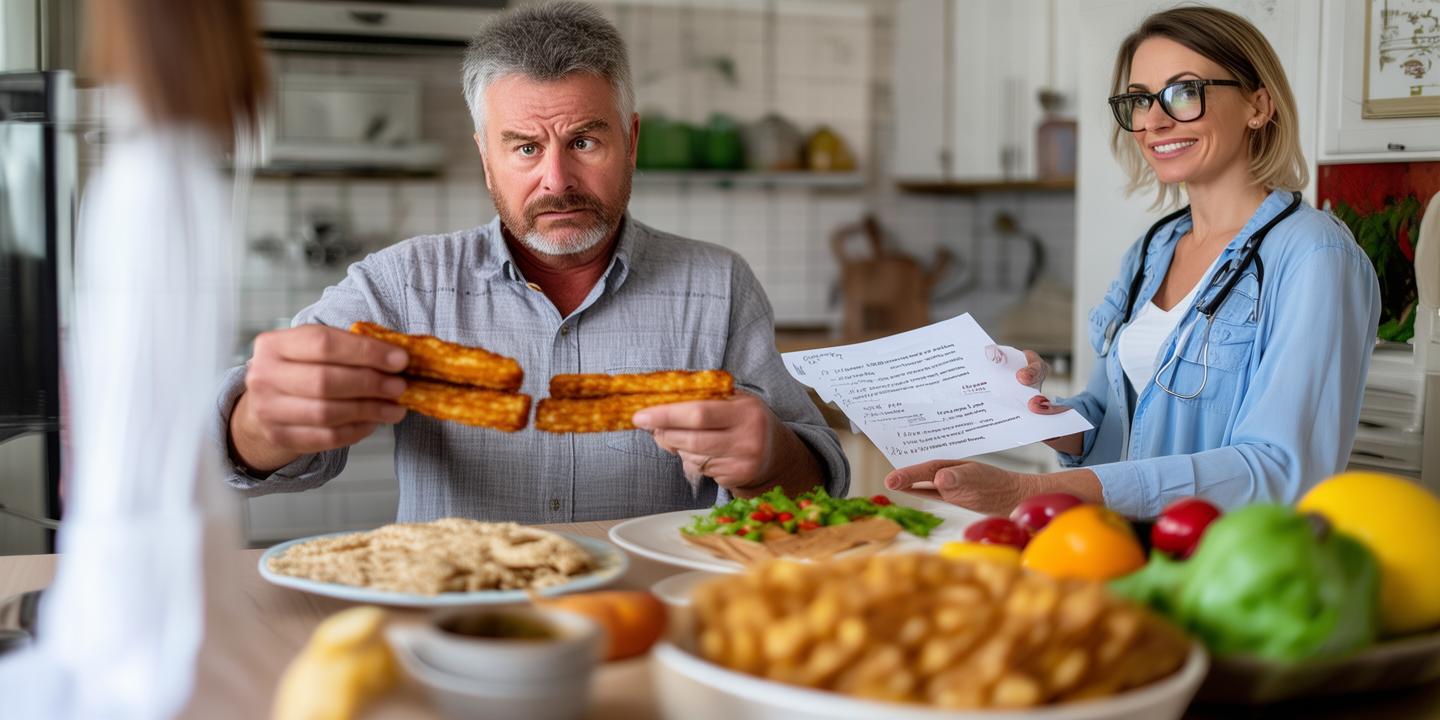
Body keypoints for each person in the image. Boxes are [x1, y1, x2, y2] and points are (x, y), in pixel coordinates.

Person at [219, 1, 849, 522]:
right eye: (525, 148)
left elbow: (816, 487)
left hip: (651, 608)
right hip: (457, 612)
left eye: (584, 141)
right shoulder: (400, 287)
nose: (557, 180)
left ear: (631, 141)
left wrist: (772, 460)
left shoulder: (719, 286)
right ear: (485, 157)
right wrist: (264, 422)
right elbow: (227, 453)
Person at [885, 6, 1380, 518]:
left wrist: (1029, 491)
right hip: (1125, 548)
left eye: (1184, 92)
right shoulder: (1153, 249)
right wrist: (1027, 409)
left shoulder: (1315, 256)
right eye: (1140, 99)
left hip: (1228, 558)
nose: (1154, 121)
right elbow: (1111, 423)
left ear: (1258, 105)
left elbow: (1281, 470)